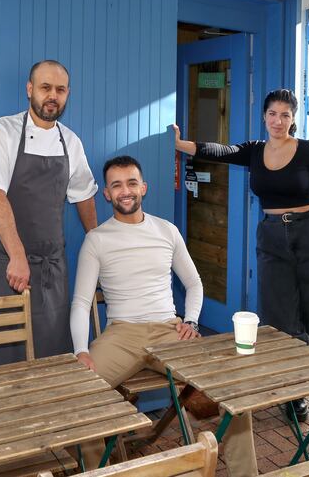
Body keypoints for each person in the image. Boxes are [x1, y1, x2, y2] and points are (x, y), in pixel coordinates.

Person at [70, 156, 257, 477]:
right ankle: (101, 472)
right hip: (121, 335)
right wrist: (80, 350)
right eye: (117, 185)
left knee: (232, 385)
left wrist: (191, 320)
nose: (125, 191)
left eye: (131, 183)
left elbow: (194, 283)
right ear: (107, 193)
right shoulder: (96, 239)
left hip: (169, 331)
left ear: (143, 187)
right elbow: (80, 302)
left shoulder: (166, 231)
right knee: (80, 395)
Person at [174, 88, 309, 422]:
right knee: (281, 322)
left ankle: (296, 394)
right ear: (264, 116)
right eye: (272, 114)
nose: (278, 121)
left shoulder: (308, 151)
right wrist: (182, 145)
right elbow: (222, 151)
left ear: (293, 119)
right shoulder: (255, 151)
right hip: (272, 237)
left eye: (285, 115)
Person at [0, 60, 98, 365]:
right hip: (7, 263)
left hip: (52, 266)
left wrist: (98, 243)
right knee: (2, 351)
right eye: (45, 87)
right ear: (30, 89)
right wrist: (17, 256)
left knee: (51, 351)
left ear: (67, 94)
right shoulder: (0, 132)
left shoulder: (71, 142)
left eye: (60, 90)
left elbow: (84, 196)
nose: (52, 95)